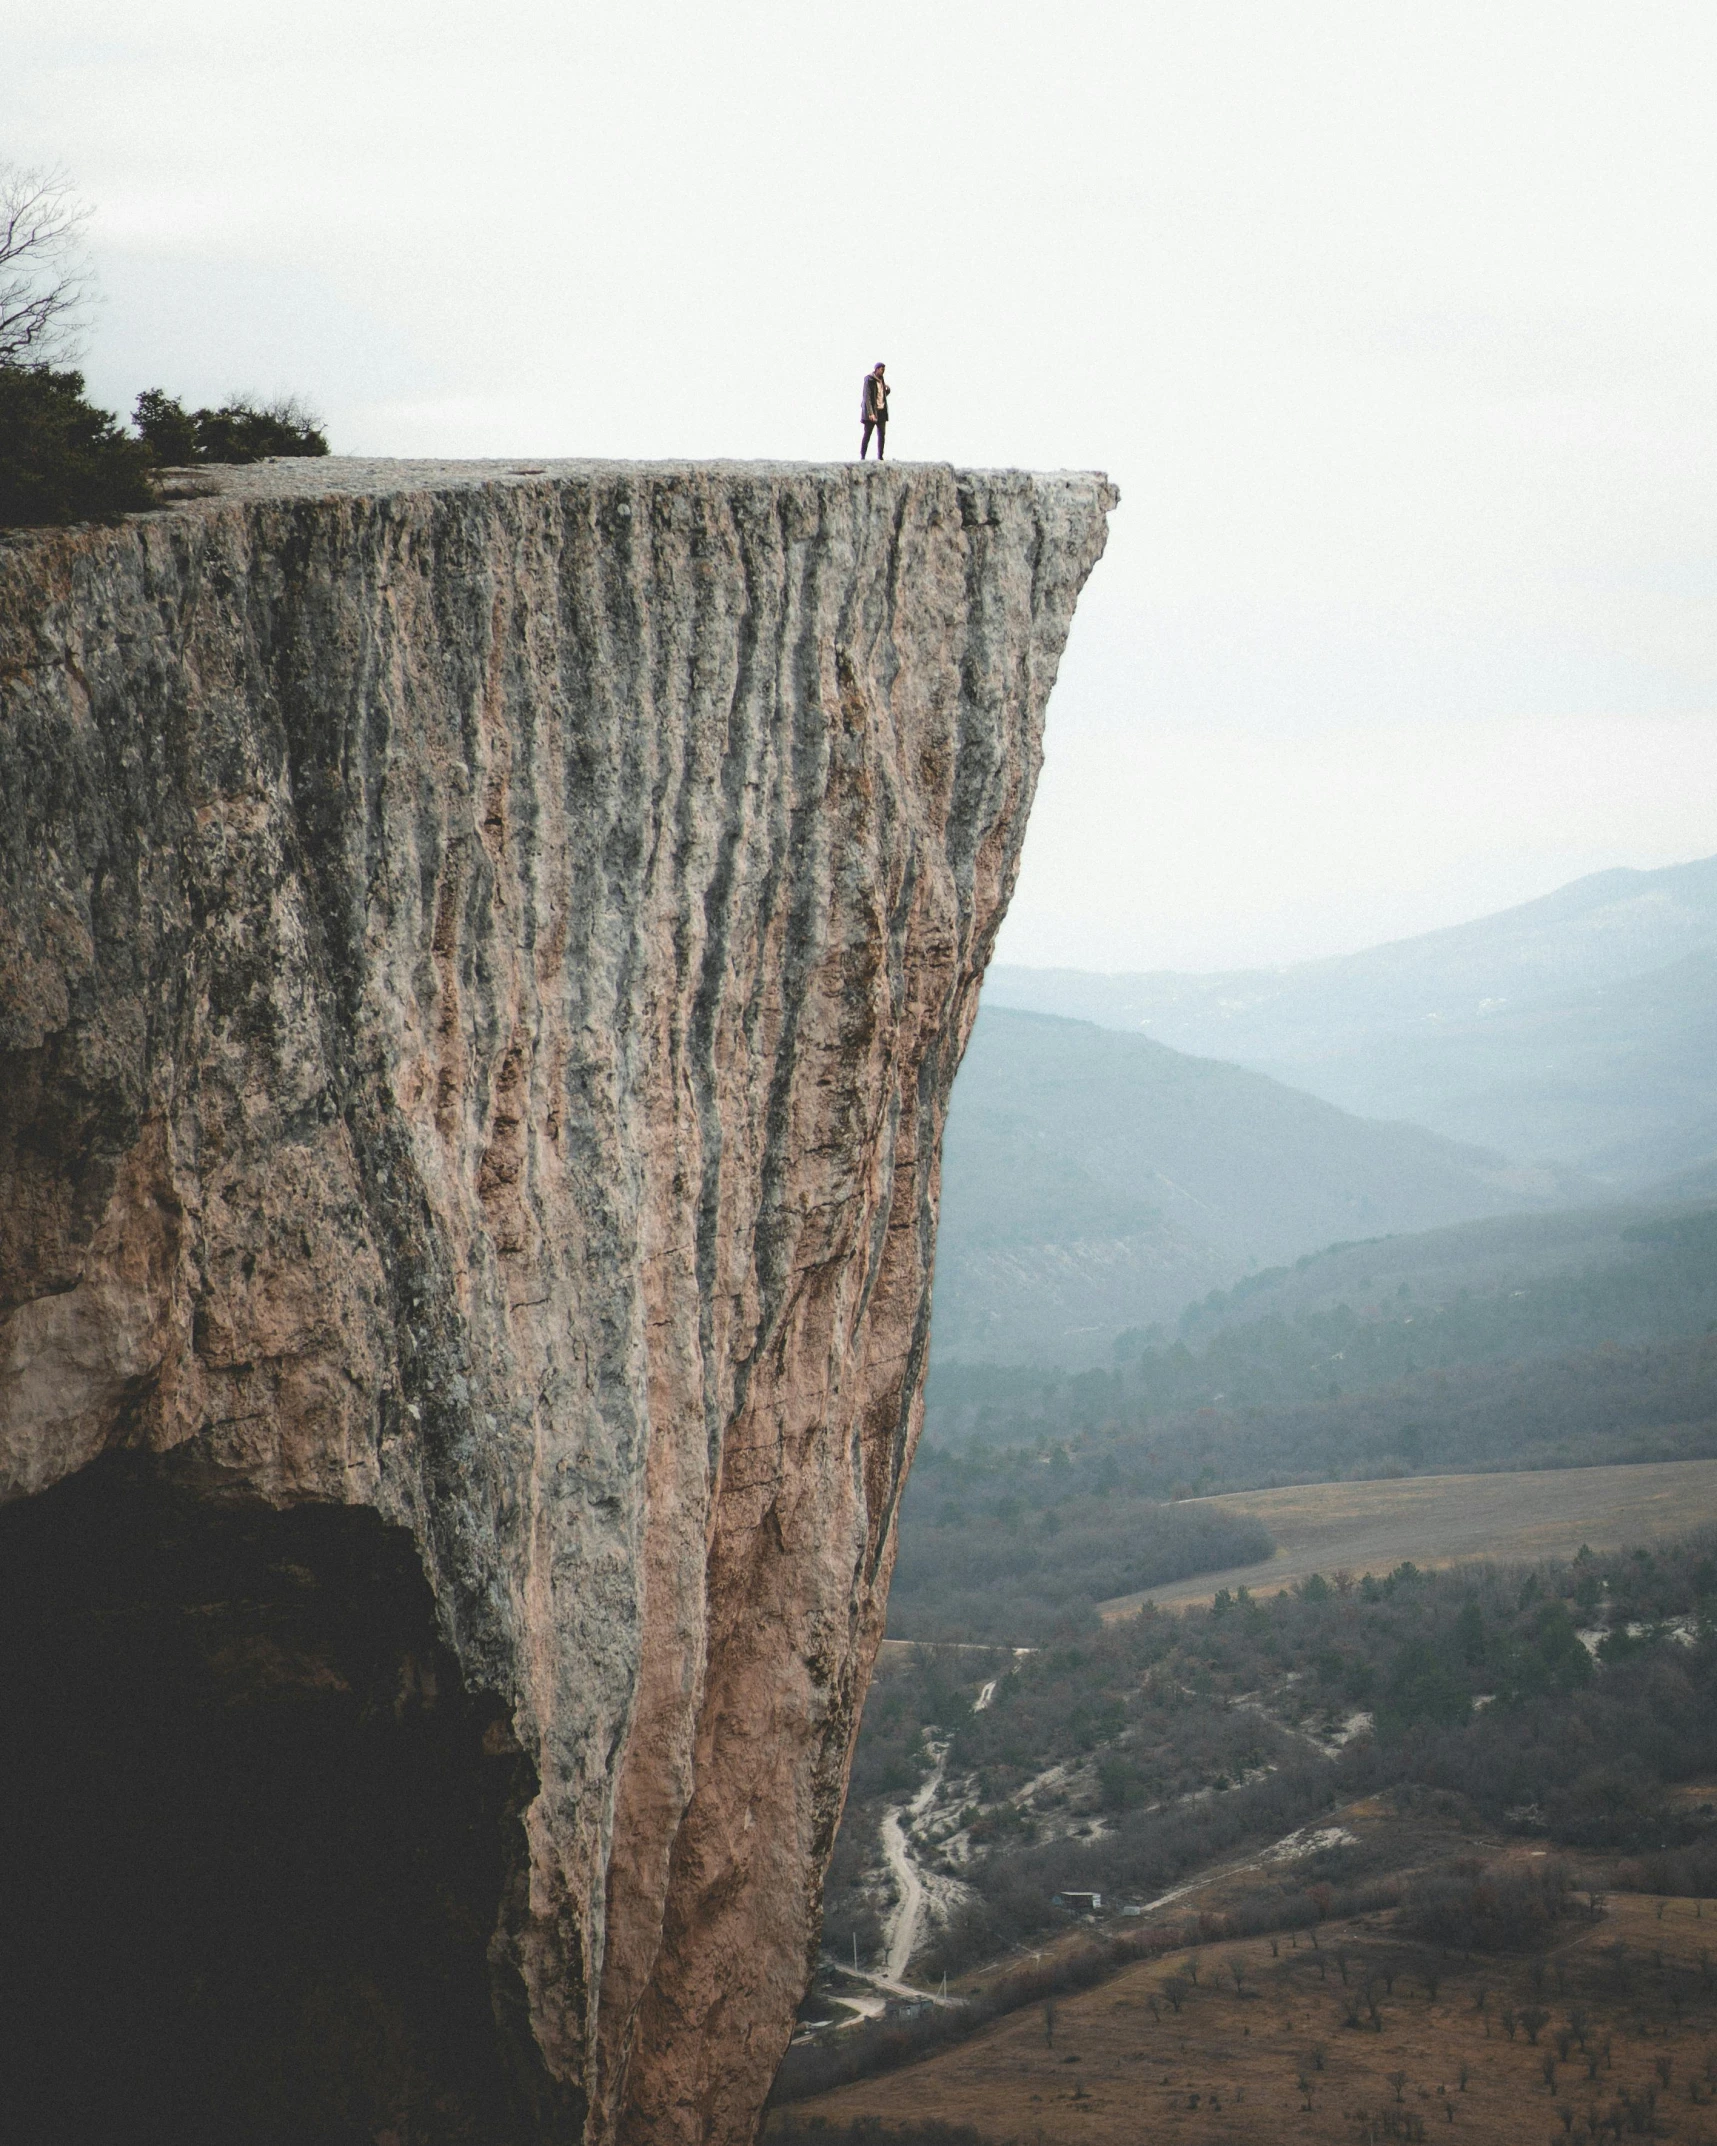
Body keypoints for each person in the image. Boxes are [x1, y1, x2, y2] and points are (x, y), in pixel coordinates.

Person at [859, 362, 889, 459]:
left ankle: (880, 456)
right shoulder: (869, 380)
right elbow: (867, 397)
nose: (882, 371)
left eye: (883, 369)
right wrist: (870, 413)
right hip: (871, 412)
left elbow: (880, 395)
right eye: (881, 369)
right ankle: (862, 456)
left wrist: (887, 390)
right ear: (876, 369)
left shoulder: (881, 380)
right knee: (867, 434)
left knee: (882, 435)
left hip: (881, 411)